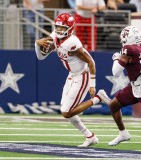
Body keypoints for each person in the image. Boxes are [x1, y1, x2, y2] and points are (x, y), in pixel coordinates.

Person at [34, 13, 109, 147]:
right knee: (66, 109)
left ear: (70, 28)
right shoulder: (55, 36)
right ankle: (90, 136)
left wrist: (93, 84)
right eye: (58, 27)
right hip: (71, 75)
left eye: (63, 28)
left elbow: (91, 61)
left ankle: (98, 98)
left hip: (82, 75)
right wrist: (37, 43)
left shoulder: (72, 43)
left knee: (66, 112)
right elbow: (41, 57)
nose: (59, 30)